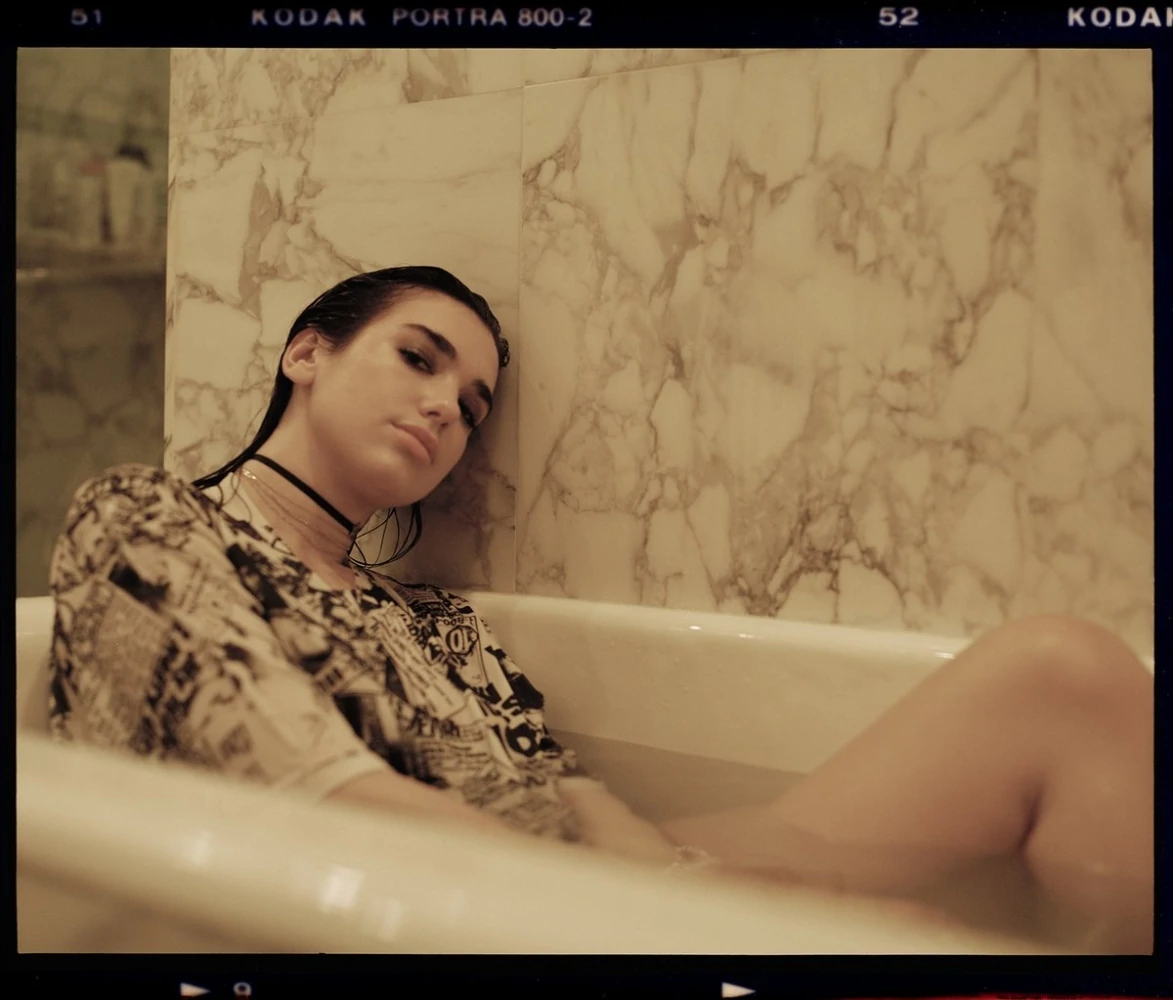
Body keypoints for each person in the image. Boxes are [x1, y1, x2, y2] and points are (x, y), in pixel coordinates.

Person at [46, 266, 1154, 952]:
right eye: (418, 358)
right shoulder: (144, 518)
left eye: (471, 405)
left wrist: (693, 883)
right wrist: (702, 921)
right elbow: (326, 803)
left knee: (1062, 675)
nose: (444, 408)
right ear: (306, 353)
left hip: (571, 879)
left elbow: (571, 796)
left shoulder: (436, 621)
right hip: (386, 913)